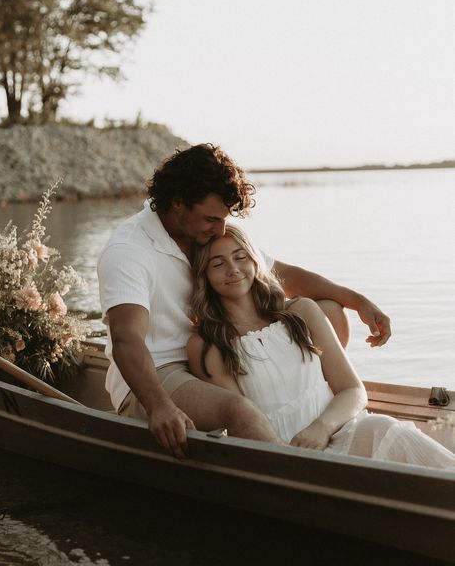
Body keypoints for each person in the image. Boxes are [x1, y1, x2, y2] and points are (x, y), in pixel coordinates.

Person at [97, 143, 391, 459]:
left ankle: (320, 412)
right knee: (241, 411)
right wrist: (159, 406)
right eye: (212, 218)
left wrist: (356, 300)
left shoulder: (204, 234)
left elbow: (281, 275)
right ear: (178, 203)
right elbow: (126, 339)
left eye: (224, 218)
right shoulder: (129, 251)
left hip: (217, 345)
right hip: (159, 370)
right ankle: (299, 475)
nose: (221, 229)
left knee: (330, 311)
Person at [186, 224, 454, 468]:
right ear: (204, 276)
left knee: (384, 429)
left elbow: (352, 390)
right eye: (217, 264)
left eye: (240, 257)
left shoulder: (302, 311)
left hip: (341, 430)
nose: (233, 268)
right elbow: (242, 422)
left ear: (256, 261)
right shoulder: (209, 346)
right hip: (286, 453)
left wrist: (321, 427)